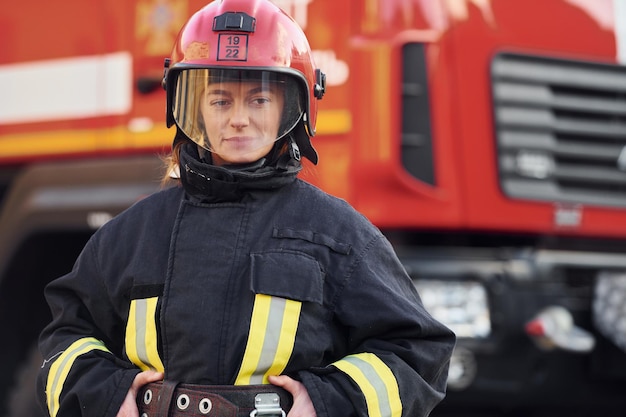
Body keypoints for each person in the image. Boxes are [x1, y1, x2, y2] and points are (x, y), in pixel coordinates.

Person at [36, 0, 456, 416]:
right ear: (190, 109)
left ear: (294, 107)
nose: (238, 119)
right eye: (220, 101)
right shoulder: (131, 235)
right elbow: (67, 337)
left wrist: (329, 402)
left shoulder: (340, 236)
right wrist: (107, 397)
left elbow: (417, 351)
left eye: (258, 100)